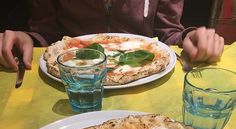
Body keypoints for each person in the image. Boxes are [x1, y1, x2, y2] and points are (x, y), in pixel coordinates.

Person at [0, 0, 224, 72]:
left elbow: (169, 31)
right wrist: (26, 38)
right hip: (74, 79)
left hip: (143, 73)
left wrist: (191, 37)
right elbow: (45, 32)